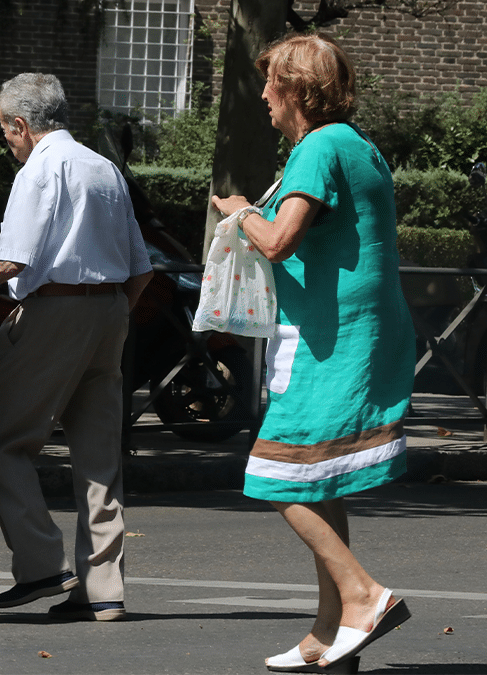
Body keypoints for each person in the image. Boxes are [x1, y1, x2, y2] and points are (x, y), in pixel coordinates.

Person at [211, 34, 415, 671]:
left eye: (271, 82)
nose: (264, 95)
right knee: (320, 478)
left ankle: (363, 596)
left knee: (275, 474)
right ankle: (332, 635)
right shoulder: (354, 144)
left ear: (297, 88)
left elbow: (277, 241)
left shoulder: (318, 147)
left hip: (330, 340)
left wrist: (242, 211)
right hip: (351, 334)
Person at [0, 73, 153, 622]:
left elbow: (9, 262)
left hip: (55, 310)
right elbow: (141, 267)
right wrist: (110, 313)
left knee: (0, 438)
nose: (7, 142)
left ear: (20, 124)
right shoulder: (104, 168)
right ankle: (103, 589)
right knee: (98, 454)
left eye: (6, 131)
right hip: (110, 307)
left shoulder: (40, 169)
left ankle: (41, 561)